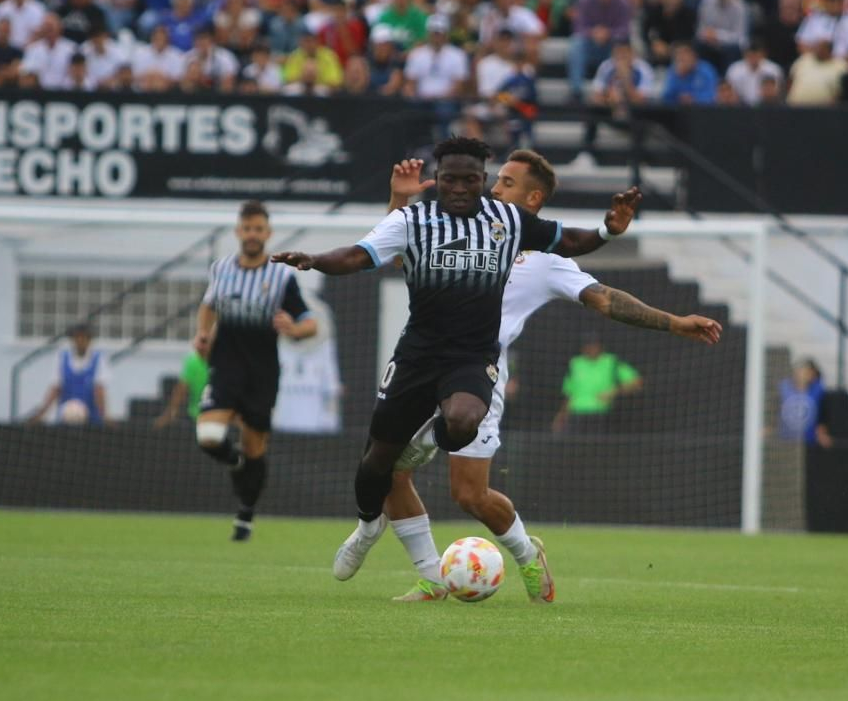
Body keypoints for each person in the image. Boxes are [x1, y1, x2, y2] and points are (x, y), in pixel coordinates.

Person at [272, 137, 639, 600]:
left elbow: (572, 246)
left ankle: (514, 543)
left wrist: (608, 232)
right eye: (451, 180)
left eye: (474, 180)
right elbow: (364, 254)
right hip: (417, 358)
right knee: (380, 467)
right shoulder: (414, 220)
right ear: (439, 181)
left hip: (475, 361)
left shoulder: (511, 224)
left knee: (465, 459)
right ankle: (387, 543)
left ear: (481, 182)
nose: (462, 188)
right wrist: (315, 259)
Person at [342, 154, 719, 601]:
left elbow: (603, 299)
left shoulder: (544, 258)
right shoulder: (459, 228)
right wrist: (397, 200)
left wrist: (675, 322)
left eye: (507, 182)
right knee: (388, 472)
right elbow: (395, 255)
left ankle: (525, 553)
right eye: (496, 181)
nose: (495, 190)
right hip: (421, 368)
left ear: (533, 198)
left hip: (476, 379)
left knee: (469, 495)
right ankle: (432, 577)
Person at [192, 200, 318, 542]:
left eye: (258, 229)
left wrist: (294, 328)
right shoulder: (221, 268)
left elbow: (311, 324)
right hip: (225, 367)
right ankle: (234, 463)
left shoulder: (280, 276)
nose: (252, 234)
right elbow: (208, 307)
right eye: (247, 228)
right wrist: (202, 333)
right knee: (208, 438)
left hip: (262, 374)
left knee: (255, 448)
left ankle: (246, 514)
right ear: (238, 232)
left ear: (267, 233)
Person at [552, 336, 643, 433]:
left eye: (594, 345)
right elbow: (569, 393)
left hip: (602, 414)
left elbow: (637, 382)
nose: (591, 349)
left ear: (600, 346)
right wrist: (562, 415)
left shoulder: (611, 361)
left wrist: (614, 391)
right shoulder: (575, 363)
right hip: (577, 414)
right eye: (588, 346)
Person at [28, 324, 109, 427]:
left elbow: (99, 390)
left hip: (92, 419)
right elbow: (56, 388)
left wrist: (104, 416)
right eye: (77, 338)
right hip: (66, 418)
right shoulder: (62, 358)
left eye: (84, 338)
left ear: (89, 340)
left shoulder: (99, 359)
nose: (80, 341)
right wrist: (42, 413)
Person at [778, 358, 833, 446]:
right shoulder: (783, 389)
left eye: (807, 372)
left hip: (808, 444)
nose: (802, 374)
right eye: (800, 371)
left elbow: (823, 417)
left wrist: (821, 433)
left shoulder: (819, 392)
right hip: (784, 443)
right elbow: (773, 413)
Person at [153, 348, 210, 431]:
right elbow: (181, 389)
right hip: (198, 417)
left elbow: (181, 389)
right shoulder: (193, 361)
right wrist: (170, 414)